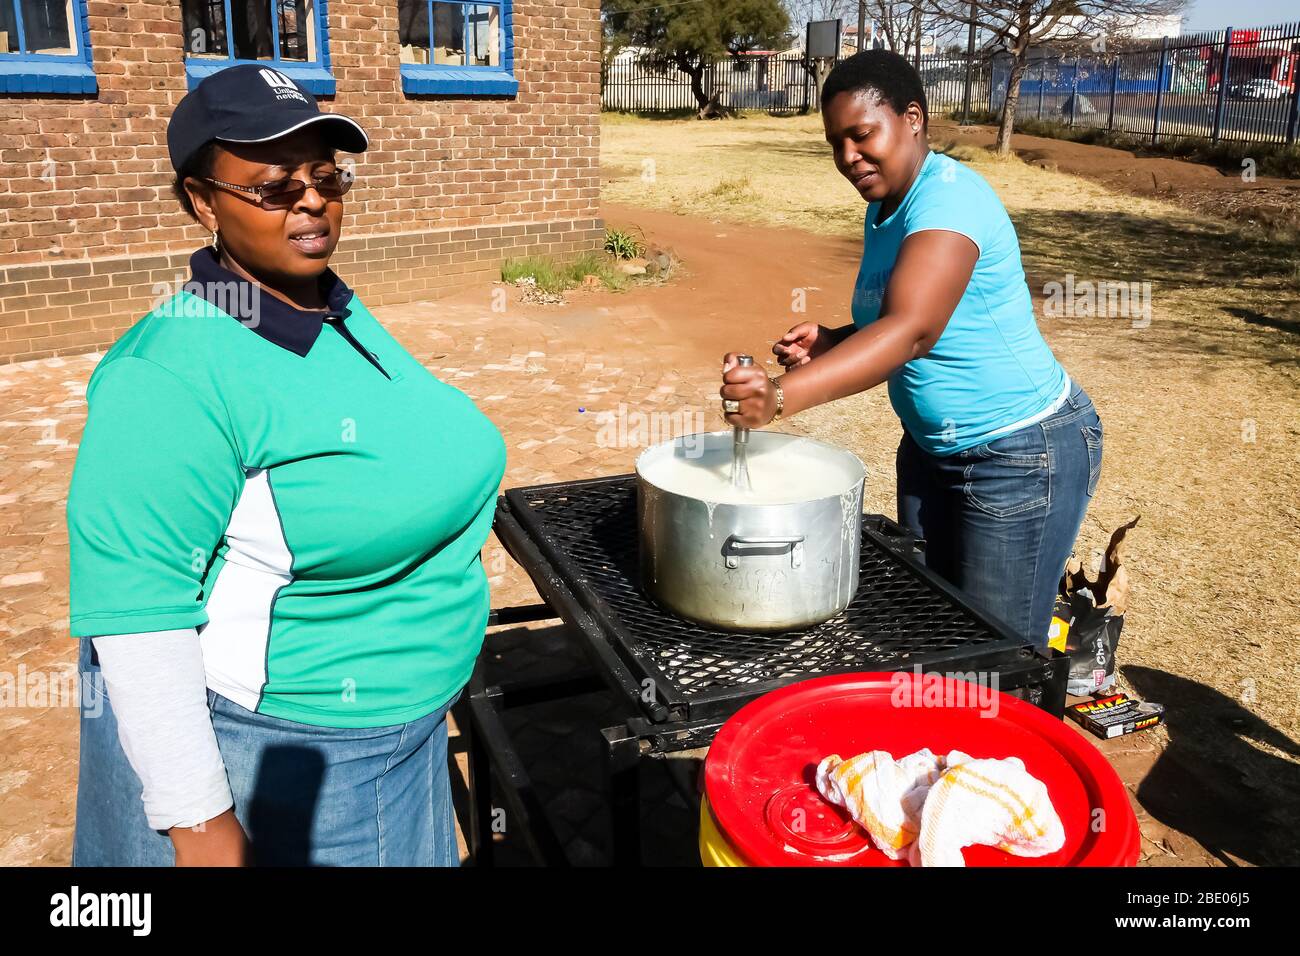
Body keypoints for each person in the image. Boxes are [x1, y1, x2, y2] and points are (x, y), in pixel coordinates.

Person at [66, 65, 507, 866]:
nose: (311, 200)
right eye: (273, 187)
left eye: (326, 177)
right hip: (306, 757)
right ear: (202, 202)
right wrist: (200, 823)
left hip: (402, 734)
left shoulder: (327, 301)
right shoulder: (168, 372)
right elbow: (136, 614)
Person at [720, 50, 1102, 649]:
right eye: (835, 143)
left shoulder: (949, 200)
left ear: (914, 118)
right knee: (933, 629)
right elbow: (900, 322)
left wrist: (779, 397)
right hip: (931, 452)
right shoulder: (886, 205)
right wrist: (835, 340)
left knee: (994, 658)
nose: (849, 157)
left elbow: (913, 331)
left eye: (862, 134)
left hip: (1018, 454)